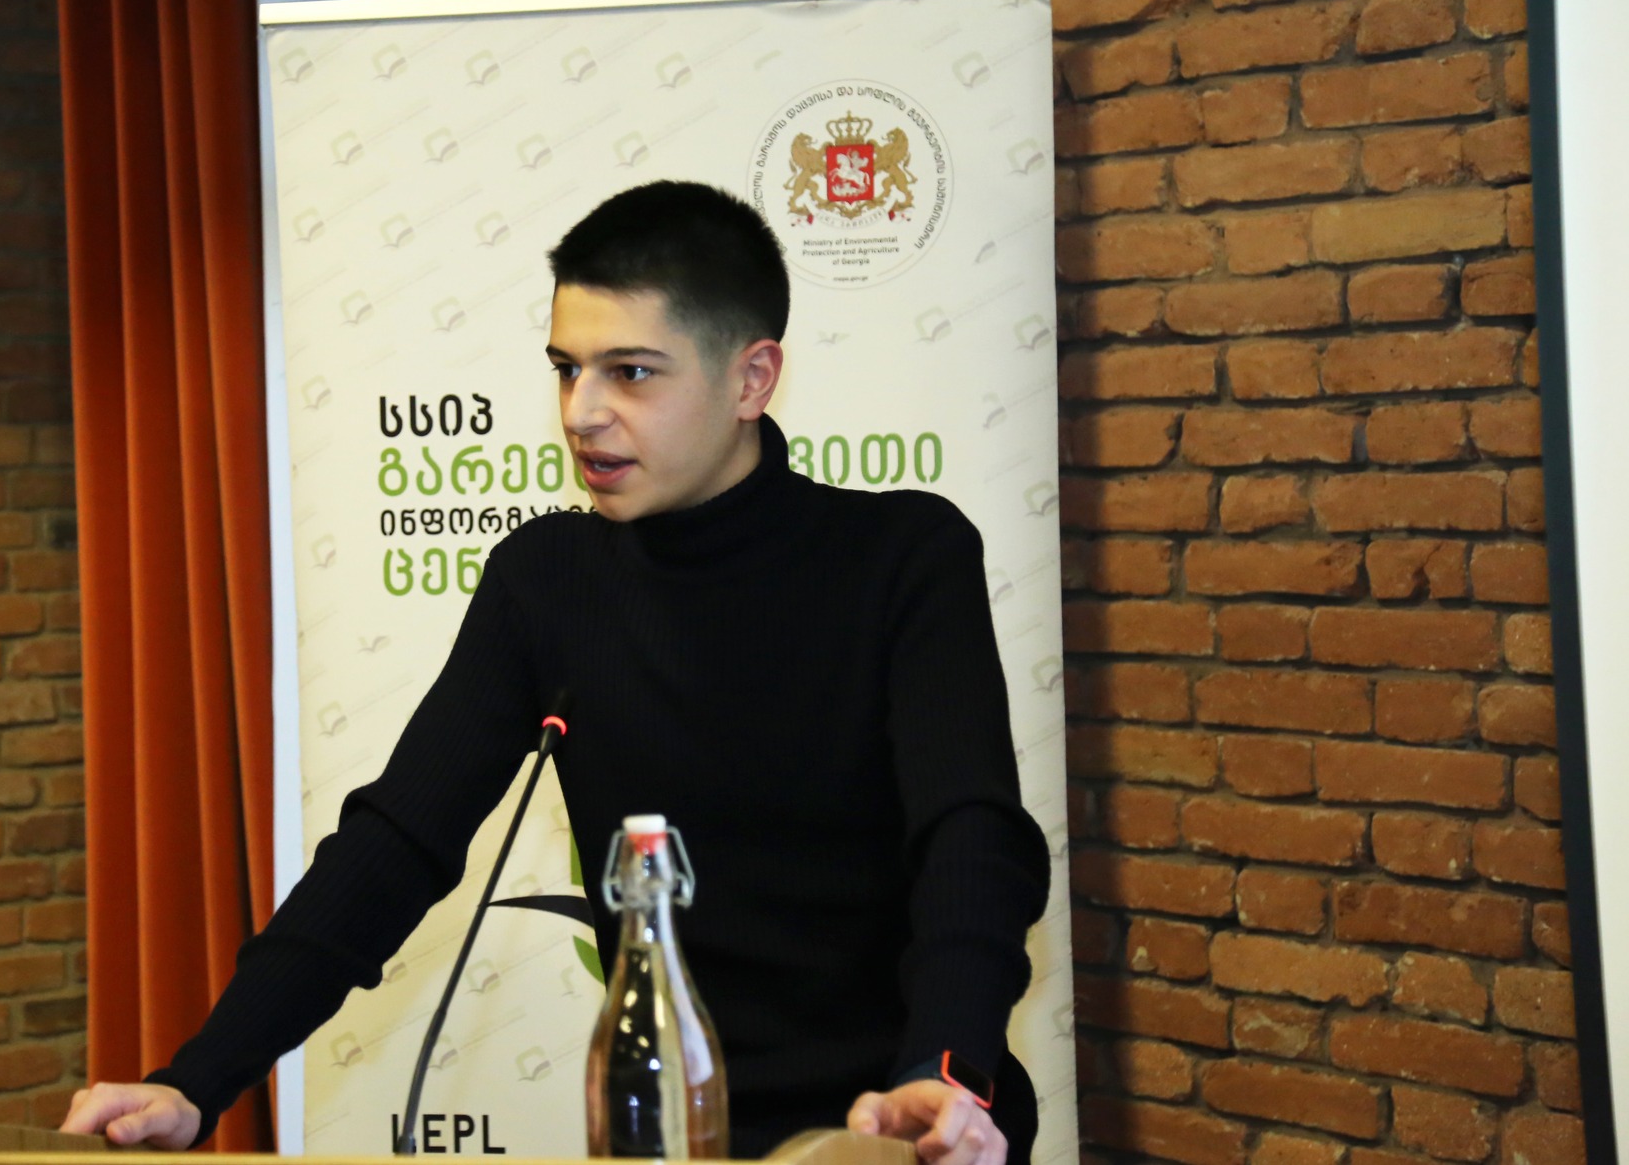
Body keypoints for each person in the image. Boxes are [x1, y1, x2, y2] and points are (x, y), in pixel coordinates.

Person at [61, 181, 1051, 1164]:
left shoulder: (901, 557)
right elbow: (395, 843)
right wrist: (195, 1080)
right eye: (566, 369)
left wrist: (944, 1069)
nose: (582, 412)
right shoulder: (547, 579)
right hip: (671, 1133)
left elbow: (970, 838)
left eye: (631, 373)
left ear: (751, 380)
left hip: (899, 1123)